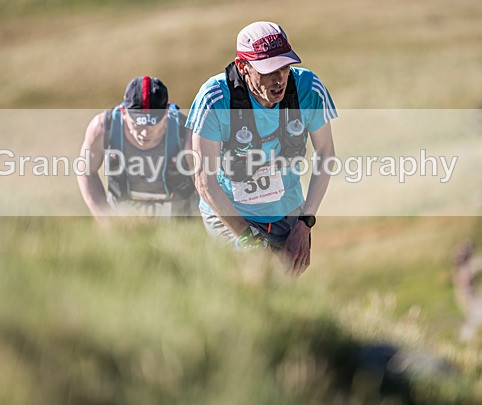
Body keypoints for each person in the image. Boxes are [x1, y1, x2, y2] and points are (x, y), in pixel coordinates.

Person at [186, 21, 337, 275]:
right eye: (268, 70)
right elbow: (204, 181)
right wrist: (246, 238)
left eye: (285, 67)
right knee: (249, 282)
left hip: (288, 213)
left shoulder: (309, 90)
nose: (279, 80)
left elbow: (326, 154)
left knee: (285, 290)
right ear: (242, 67)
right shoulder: (213, 99)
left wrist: (305, 224)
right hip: (230, 214)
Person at [77, 76, 197, 218]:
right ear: (123, 112)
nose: (145, 133)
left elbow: (205, 182)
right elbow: (85, 170)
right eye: (137, 124)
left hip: (180, 222)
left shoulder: (185, 133)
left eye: (153, 123)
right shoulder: (102, 128)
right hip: (122, 221)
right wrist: (105, 219)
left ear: (166, 112)